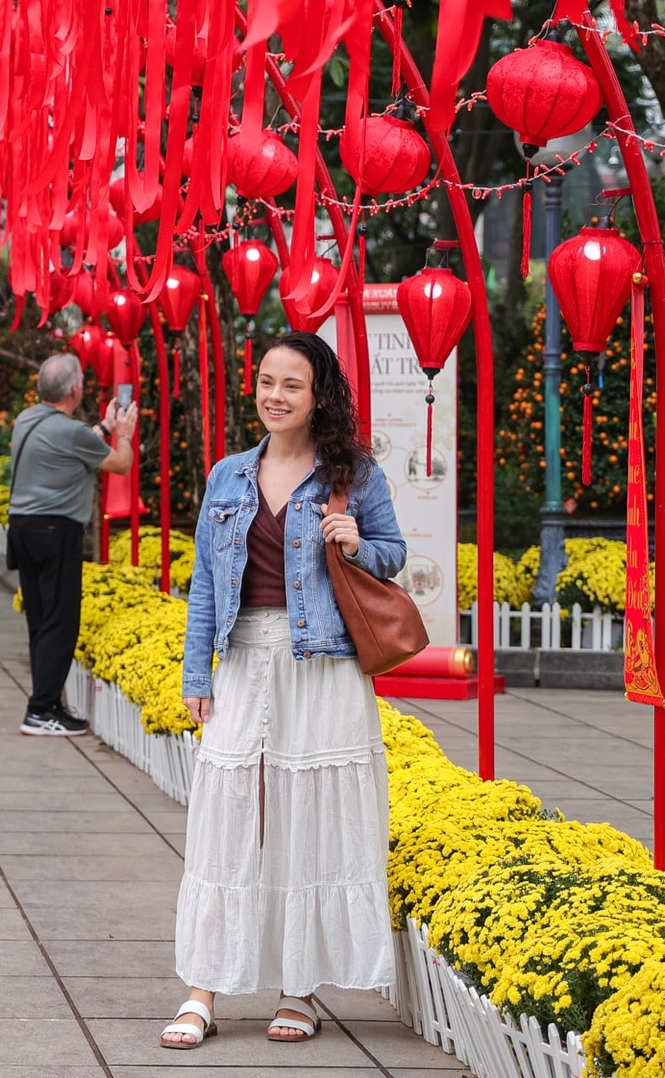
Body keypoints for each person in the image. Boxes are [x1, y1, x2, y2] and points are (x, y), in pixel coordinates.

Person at [160, 331, 407, 1051]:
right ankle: (202, 987)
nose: (274, 395)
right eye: (267, 381)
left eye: (291, 385)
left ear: (319, 395)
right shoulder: (229, 475)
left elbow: (392, 555)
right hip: (244, 658)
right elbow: (205, 579)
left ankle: (298, 988)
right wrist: (197, 674)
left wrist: (358, 541)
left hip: (321, 666)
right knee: (229, 816)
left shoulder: (352, 474)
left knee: (307, 818)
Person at [6, 353, 138, 737]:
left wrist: (103, 425)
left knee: (41, 620)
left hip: (23, 528)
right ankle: (41, 709)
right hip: (55, 530)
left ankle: (45, 702)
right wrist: (124, 432)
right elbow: (119, 464)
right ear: (76, 390)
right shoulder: (73, 432)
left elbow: (72, 445)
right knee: (61, 622)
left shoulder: (28, 419)